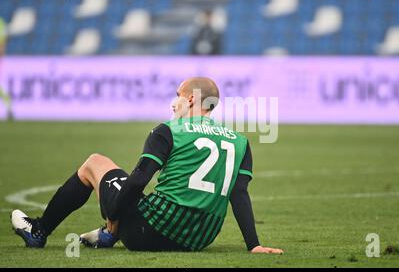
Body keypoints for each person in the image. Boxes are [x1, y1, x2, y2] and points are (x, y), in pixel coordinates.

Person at [11, 77, 283, 254]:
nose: (173, 101)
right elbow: (239, 195)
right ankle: (106, 234)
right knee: (133, 193)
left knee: (95, 163)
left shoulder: (169, 130)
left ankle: (39, 231)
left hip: (150, 233)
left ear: (190, 100)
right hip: (199, 239)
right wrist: (253, 245)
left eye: (177, 94)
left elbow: (140, 180)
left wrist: (114, 215)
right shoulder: (240, 141)